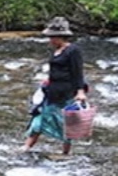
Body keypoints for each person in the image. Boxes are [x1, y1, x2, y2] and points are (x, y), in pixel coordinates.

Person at [24, 16, 87, 155]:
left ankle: (65, 153)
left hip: (66, 94)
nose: (50, 40)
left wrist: (80, 91)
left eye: (52, 37)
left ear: (60, 36)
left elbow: (77, 72)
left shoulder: (73, 51)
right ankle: (26, 147)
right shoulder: (57, 50)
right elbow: (56, 70)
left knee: (65, 124)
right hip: (52, 92)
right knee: (38, 119)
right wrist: (48, 80)